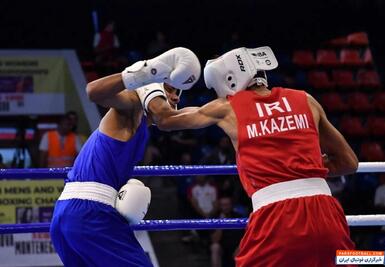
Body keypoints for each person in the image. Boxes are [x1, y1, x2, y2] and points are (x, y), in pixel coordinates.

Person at [149, 46, 359, 266]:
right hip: (327, 214)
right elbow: (349, 162)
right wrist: (299, 166)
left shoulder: (227, 108)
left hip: (277, 218)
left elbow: (165, 120)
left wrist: (149, 82)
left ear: (228, 78)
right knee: (342, 260)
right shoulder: (306, 100)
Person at [49, 47, 201, 266]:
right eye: (170, 88)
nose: (175, 96)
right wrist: (140, 75)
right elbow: (93, 91)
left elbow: (188, 115)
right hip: (90, 215)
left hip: (66, 214)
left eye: (179, 93)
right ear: (154, 86)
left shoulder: (141, 126)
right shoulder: (132, 107)